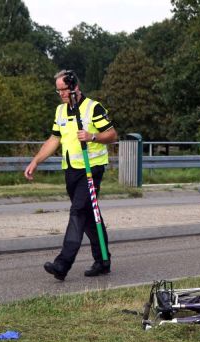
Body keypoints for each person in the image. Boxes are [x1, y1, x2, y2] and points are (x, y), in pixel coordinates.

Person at [24, 70, 118, 281]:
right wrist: (36, 160)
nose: (61, 94)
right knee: (89, 217)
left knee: (77, 212)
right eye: (58, 91)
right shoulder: (60, 111)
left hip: (91, 169)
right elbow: (54, 139)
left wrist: (92, 136)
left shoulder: (93, 108)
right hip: (72, 170)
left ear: (74, 87)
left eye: (63, 90)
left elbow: (112, 135)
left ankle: (62, 264)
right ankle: (103, 261)